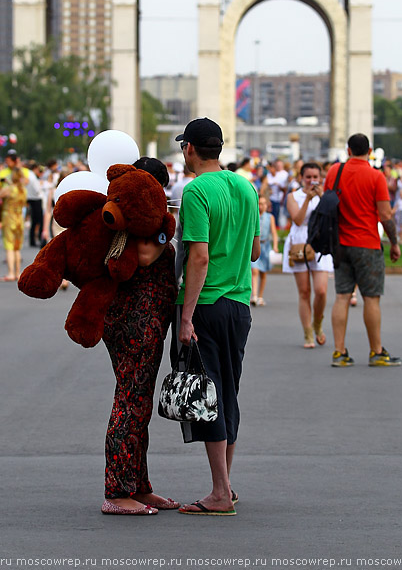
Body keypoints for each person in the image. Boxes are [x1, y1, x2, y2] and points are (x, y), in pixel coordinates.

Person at [174, 117, 260, 516]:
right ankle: (224, 484)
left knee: (208, 396)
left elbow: (199, 256)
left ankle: (220, 494)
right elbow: (256, 250)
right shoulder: (246, 187)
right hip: (240, 305)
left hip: (206, 304)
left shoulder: (196, 192)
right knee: (228, 392)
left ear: (189, 148)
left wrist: (186, 317)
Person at [101, 157, 180, 515]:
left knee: (138, 402)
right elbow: (146, 256)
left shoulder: (139, 215)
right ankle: (117, 491)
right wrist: (168, 230)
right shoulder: (136, 220)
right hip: (136, 322)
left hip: (140, 322)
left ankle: (139, 484)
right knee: (129, 401)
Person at [325, 134, 402, 368]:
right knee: (371, 297)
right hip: (367, 243)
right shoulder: (376, 176)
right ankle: (376, 352)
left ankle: (339, 352)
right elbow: (386, 215)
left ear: (348, 151)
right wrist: (394, 242)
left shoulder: (334, 172)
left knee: (341, 296)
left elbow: (327, 203)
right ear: (369, 151)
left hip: (340, 244)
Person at [283, 162, 333, 348]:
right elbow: (297, 219)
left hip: (320, 242)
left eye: (315, 177)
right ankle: (308, 333)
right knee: (304, 292)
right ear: (301, 178)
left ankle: (317, 324)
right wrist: (307, 199)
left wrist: (321, 197)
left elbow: (331, 215)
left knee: (321, 291)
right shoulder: (293, 196)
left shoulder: (325, 196)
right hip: (299, 243)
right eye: (308, 177)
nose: (312, 181)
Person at [0, 168, 27, 281]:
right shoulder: (23, 190)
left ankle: (10, 272)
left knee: (9, 245)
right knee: (17, 247)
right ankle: (18, 272)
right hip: (19, 218)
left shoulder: (9, 189)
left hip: (9, 217)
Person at [251, 195, 279, 306]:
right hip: (254, 246)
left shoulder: (270, 217)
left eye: (262, 204)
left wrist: (275, 245)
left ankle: (260, 296)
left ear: (267, 206)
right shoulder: (253, 216)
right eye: (258, 203)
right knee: (254, 270)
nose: (260, 206)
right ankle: (254, 296)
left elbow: (274, 232)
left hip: (265, 245)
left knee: (263, 272)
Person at [25, 162, 44, 247]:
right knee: (39, 221)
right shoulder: (33, 177)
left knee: (34, 221)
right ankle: (39, 238)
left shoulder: (29, 175)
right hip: (36, 199)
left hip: (31, 198)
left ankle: (32, 240)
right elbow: (37, 190)